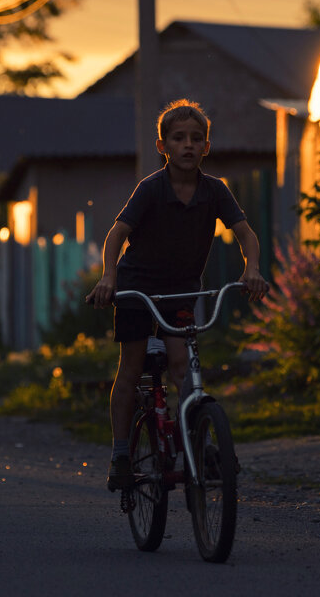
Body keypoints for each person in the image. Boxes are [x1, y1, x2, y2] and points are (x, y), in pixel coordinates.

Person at [86, 98, 268, 491]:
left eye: (196, 138)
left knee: (182, 366)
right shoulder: (150, 189)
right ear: (162, 146)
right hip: (136, 286)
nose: (188, 145)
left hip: (182, 289)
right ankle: (120, 452)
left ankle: (195, 443)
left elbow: (246, 234)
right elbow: (117, 234)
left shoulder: (215, 191)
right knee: (131, 367)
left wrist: (251, 268)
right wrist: (108, 278)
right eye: (179, 138)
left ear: (207, 146)